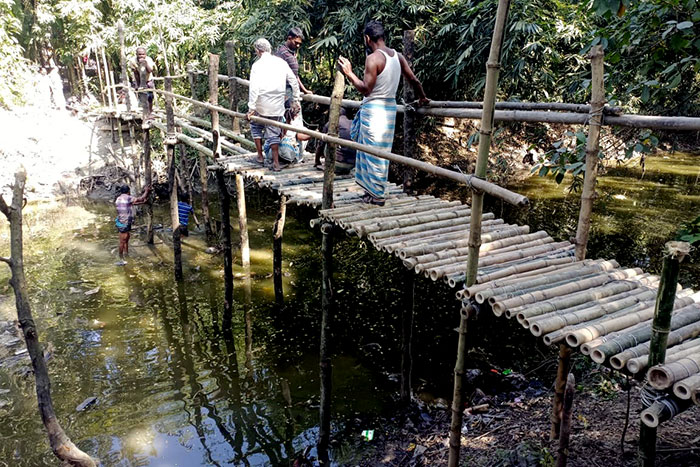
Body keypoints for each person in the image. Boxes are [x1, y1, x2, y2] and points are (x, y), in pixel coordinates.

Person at [338, 20, 428, 206]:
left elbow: (365, 89)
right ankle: (371, 192)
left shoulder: (373, 59)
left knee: (371, 153)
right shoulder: (398, 56)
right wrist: (422, 97)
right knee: (381, 152)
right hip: (389, 110)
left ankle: (377, 195)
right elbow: (413, 79)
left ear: (367, 38)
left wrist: (349, 73)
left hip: (374, 110)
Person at [247, 38, 301, 171]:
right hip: (277, 106)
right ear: (269, 49)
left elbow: (254, 88)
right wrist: (296, 98)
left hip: (261, 105)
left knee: (255, 125)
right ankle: (276, 163)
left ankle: (260, 156)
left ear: (258, 51)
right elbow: (293, 80)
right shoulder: (281, 63)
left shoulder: (257, 65)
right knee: (274, 132)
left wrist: (251, 108)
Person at [115, 184, 151, 265]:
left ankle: (126, 254)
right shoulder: (127, 197)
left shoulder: (119, 198)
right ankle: (120, 259)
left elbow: (131, 204)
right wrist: (147, 191)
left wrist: (142, 202)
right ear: (128, 191)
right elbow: (140, 198)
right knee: (122, 241)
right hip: (124, 223)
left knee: (126, 239)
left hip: (123, 222)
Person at [314, 107, 357, 174]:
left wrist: (317, 161)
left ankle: (330, 166)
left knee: (326, 140)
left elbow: (320, 145)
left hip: (337, 164)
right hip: (352, 164)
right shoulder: (352, 123)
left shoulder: (331, 123)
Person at [275, 27, 313, 96]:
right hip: (283, 94)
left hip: (292, 92)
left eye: (299, 44)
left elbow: (295, 75)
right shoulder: (281, 53)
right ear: (289, 38)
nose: (298, 45)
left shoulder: (292, 53)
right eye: (296, 42)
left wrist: (305, 90)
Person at [130, 47, 156, 118]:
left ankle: (150, 111)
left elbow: (150, 70)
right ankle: (143, 111)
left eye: (143, 54)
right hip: (138, 79)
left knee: (150, 96)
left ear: (146, 54)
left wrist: (145, 63)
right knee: (141, 95)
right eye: (139, 54)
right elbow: (136, 73)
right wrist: (139, 85)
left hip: (148, 79)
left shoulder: (149, 59)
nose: (141, 56)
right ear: (136, 54)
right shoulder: (133, 61)